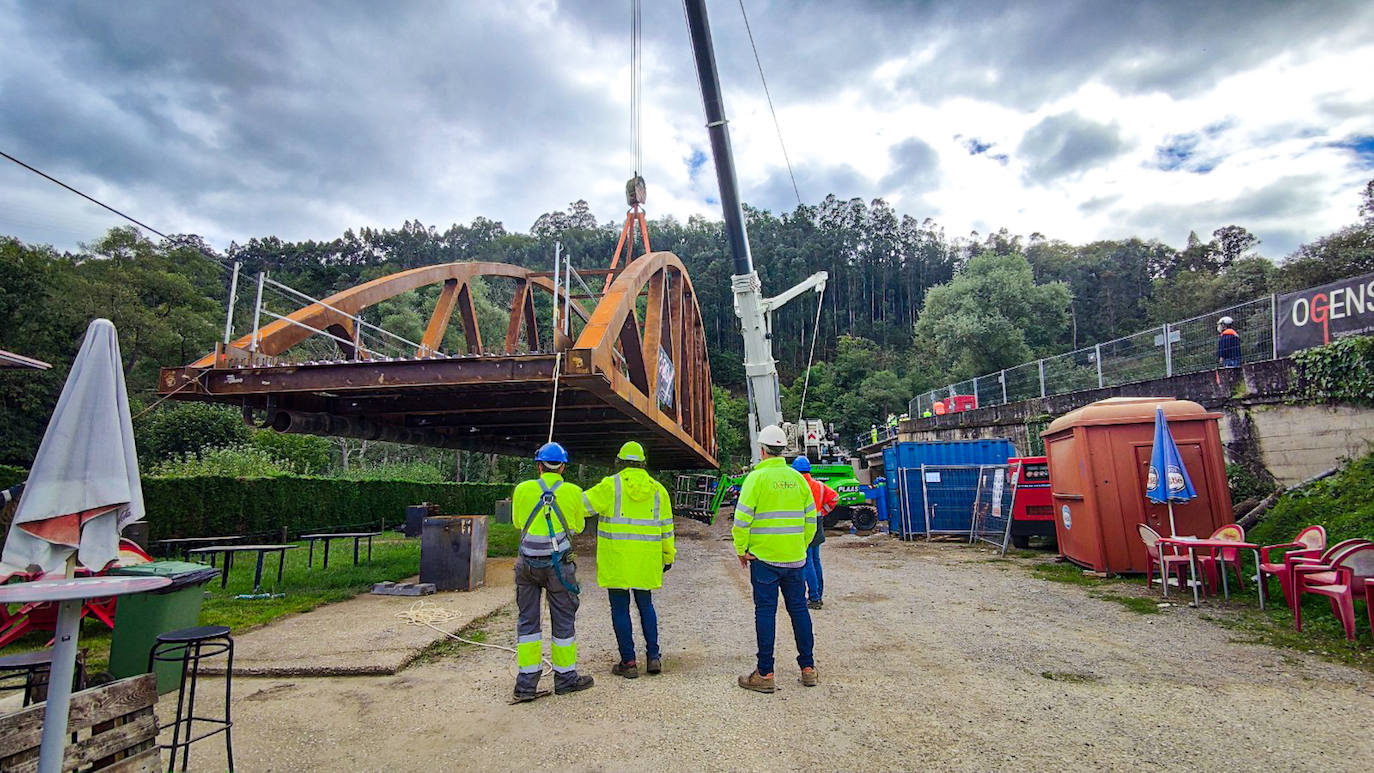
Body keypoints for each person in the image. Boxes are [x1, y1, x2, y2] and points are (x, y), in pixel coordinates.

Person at [733, 424, 818, 693]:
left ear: (762, 450)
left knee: (765, 612)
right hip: (795, 559)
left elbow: (741, 519)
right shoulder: (798, 480)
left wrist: (741, 549)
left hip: (765, 560)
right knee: (799, 610)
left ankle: (765, 673)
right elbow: (811, 521)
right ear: (783, 450)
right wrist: (799, 546)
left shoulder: (756, 479)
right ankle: (808, 668)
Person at [583, 441, 675, 679]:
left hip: (617, 560)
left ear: (620, 462)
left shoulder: (610, 486)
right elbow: (666, 528)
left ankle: (629, 662)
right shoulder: (658, 490)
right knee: (646, 606)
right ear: (643, 462)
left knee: (620, 609)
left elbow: (582, 506)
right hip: (646, 561)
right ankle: (653, 657)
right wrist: (668, 555)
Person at [510, 442, 594, 702]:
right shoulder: (573, 492)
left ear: (538, 466)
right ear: (563, 467)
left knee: (528, 623)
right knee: (563, 621)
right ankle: (566, 678)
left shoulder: (522, 489)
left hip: (526, 566)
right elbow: (578, 527)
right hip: (558, 566)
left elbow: (517, 523)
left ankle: (526, 684)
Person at [792, 456, 838, 610]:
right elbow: (835, 497)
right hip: (817, 522)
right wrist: (824, 511)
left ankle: (814, 597)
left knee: (808, 561)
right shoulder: (819, 485)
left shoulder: (796, 485)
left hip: (804, 524)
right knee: (816, 559)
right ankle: (818, 593)